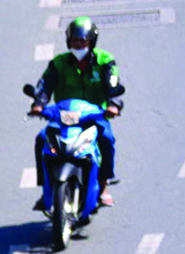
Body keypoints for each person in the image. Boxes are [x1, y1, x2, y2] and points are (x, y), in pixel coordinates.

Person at [29, 18, 122, 206]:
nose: (78, 45)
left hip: (93, 115)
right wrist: (38, 104)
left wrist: (113, 105)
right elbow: (44, 86)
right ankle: (46, 187)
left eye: (82, 41)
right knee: (41, 140)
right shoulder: (59, 63)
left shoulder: (105, 60)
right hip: (63, 116)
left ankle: (104, 185)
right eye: (74, 41)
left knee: (106, 138)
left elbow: (113, 85)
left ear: (91, 42)